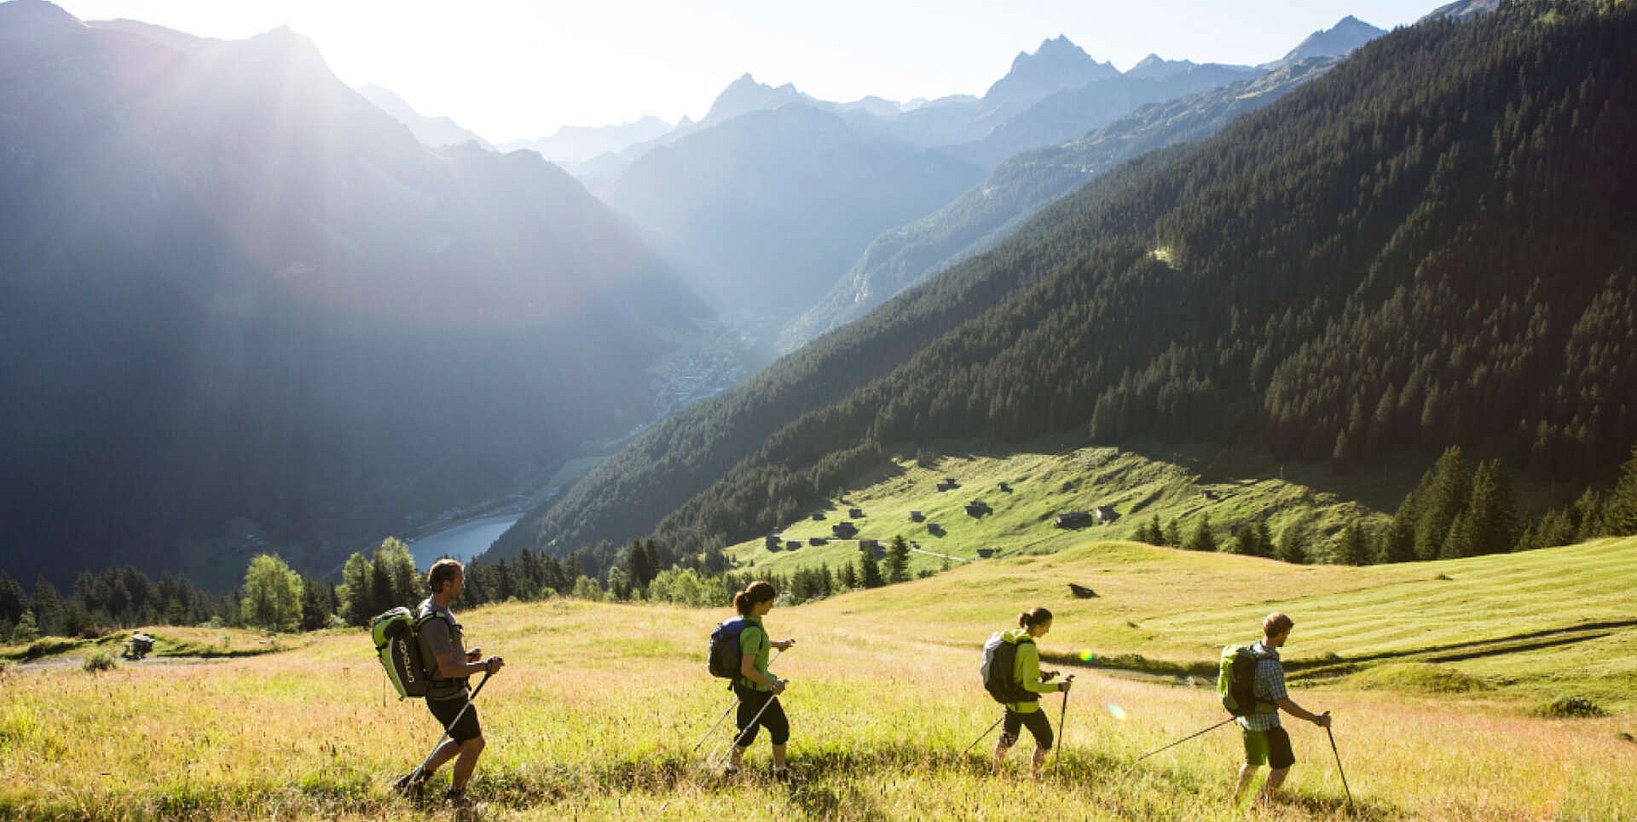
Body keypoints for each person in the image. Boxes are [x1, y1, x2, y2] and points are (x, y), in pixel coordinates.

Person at [393, 559, 505, 806]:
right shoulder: (435, 621)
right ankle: (456, 797)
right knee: (474, 744)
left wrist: (467, 658)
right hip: (448, 697)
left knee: (460, 741)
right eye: (459, 581)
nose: (463, 585)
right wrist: (484, 666)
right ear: (446, 584)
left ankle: (413, 782)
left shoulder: (434, 609)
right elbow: (447, 668)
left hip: (445, 692)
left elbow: (441, 659)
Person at [1232, 611, 1331, 805]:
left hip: (1248, 721)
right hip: (1267, 724)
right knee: (1283, 764)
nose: (1287, 637)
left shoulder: (1252, 650)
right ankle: (1263, 803)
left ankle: (1237, 799)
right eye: (1286, 634)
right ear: (1279, 634)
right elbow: (1284, 702)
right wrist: (1315, 718)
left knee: (1252, 763)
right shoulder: (1271, 665)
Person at [725, 580, 797, 779]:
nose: (772, 606)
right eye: (770, 603)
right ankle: (775, 772)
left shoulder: (749, 622)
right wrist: (773, 683)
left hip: (748, 688)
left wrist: (777, 644)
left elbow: (758, 644)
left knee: (753, 730)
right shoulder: (753, 631)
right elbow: (747, 669)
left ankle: (734, 770)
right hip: (755, 690)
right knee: (766, 729)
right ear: (758, 604)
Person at [992, 607, 1071, 777]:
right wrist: (1058, 687)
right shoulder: (1028, 648)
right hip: (1027, 704)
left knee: (1008, 737)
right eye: (1046, 627)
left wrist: (1042, 674)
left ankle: (995, 772)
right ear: (1037, 626)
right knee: (1045, 739)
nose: (1047, 631)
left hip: (1011, 700)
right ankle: (1034, 777)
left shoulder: (1016, 637)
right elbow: (1029, 685)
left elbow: (1018, 668)